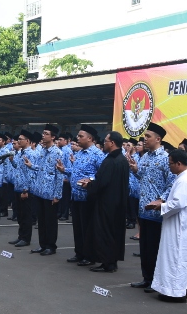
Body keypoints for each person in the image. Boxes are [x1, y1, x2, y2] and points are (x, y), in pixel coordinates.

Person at [145, 148, 187, 302]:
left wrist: (160, 206)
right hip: (183, 223)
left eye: (170, 164)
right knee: (183, 257)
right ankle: (183, 287)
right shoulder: (186, 177)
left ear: (179, 163)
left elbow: (178, 203)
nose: (169, 167)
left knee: (175, 256)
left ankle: (174, 291)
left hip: (179, 225)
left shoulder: (184, 180)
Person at [129, 122, 174, 288]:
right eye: (144, 136)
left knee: (155, 247)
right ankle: (146, 278)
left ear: (158, 139)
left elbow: (171, 184)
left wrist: (161, 200)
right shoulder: (145, 157)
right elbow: (143, 178)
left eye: (148, 136)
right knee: (145, 247)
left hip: (156, 211)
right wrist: (135, 170)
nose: (145, 139)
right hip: (143, 208)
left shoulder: (165, 158)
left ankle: (155, 280)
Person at [81, 130, 129, 273]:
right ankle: (112, 261)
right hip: (118, 202)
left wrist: (89, 185)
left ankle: (106, 262)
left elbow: (102, 182)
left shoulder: (110, 161)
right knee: (115, 233)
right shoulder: (122, 160)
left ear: (112, 143)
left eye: (106, 141)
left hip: (107, 203)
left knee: (104, 232)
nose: (104, 143)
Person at [65, 126, 104, 265]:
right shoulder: (79, 153)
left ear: (90, 138)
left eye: (81, 136)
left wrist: (91, 180)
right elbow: (76, 172)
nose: (78, 138)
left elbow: (102, 175)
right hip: (76, 195)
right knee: (78, 227)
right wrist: (65, 170)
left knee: (88, 228)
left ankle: (90, 255)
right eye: (78, 136)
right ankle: (79, 252)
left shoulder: (97, 154)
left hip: (88, 197)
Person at [26, 125, 64, 256]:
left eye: (46, 133)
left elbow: (59, 175)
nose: (43, 135)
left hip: (50, 192)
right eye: (43, 133)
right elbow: (41, 168)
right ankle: (42, 244)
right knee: (41, 220)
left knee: (50, 221)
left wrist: (57, 194)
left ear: (53, 137)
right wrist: (31, 166)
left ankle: (51, 245)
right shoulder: (42, 150)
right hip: (39, 190)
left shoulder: (57, 153)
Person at [7, 130, 36, 248]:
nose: (18, 141)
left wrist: (25, 190)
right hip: (18, 187)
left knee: (26, 215)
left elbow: (31, 174)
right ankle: (20, 236)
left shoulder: (31, 154)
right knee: (20, 214)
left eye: (20, 139)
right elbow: (18, 168)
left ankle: (26, 238)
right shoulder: (19, 153)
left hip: (25, 189)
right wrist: (12, 161)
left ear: (27, 141)